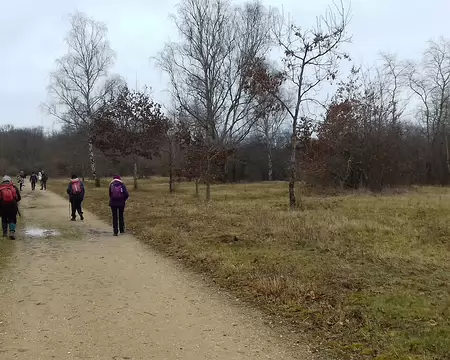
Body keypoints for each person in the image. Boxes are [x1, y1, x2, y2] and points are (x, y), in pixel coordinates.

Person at [0, 176, 21, 240]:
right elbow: (19, 198)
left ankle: (5, 233)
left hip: (2, 205)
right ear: (10, 180)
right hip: (12, 205)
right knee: (12, 218)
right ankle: (11, 232)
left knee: (4, 218)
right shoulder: (14, 187)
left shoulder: (0, 187)